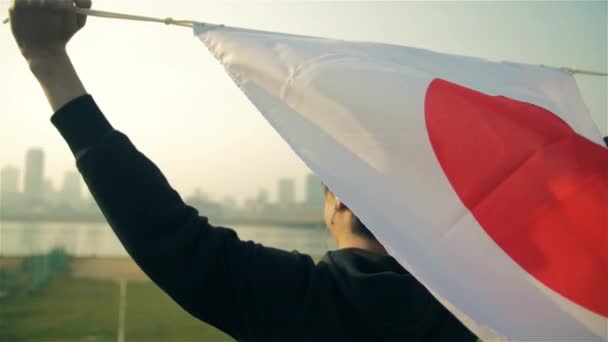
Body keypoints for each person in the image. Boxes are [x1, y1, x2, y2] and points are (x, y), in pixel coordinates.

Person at [8, 1, 477, 341]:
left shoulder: (301, 303)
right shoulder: (488, 313)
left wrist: (46, 59)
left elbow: (163, 231)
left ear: (340, 199)